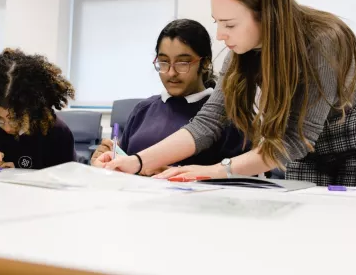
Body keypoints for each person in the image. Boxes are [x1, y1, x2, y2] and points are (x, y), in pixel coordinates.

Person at [96, 0, 356, 188]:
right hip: (308, 146)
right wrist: (136, 162)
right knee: (308, 227)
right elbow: (206, 124)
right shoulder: (240, 54)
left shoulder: (324, 42)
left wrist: (215, 170)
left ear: (267, 16)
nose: (220, 36)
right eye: (218, 22)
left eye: (229, 24)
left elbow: (294, 140)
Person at [91, 19, 247, 175]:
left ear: (205, 63)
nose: (171, 73)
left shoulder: (226, 116)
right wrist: (107, 160)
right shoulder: (143, 110)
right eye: (164, 62)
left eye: (183, 63)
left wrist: (179, 175)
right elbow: (122, 166)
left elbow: (240, 175)